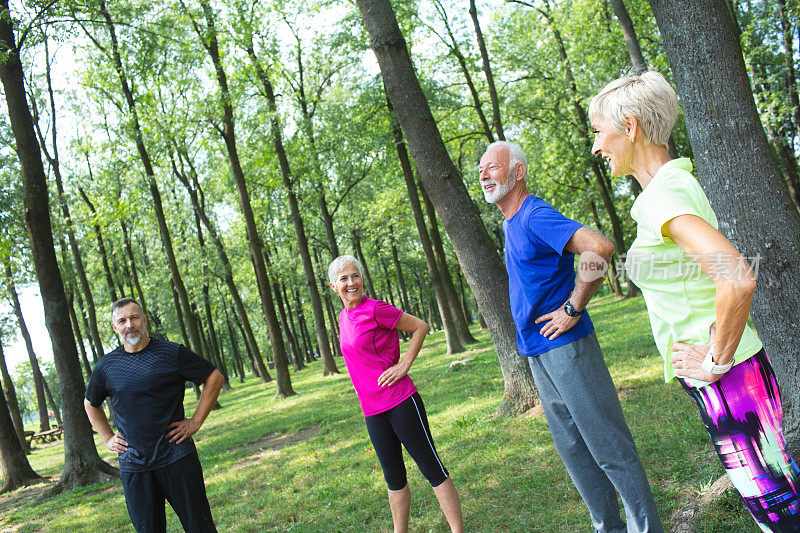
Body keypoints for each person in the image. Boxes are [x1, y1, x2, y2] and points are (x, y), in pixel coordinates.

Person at [589, 70, 800, 531]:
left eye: (599, 132)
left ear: (630, 127)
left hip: (732, 379)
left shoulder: (665, 194)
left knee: (778, 508)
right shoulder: (665, 190)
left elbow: (738, 276)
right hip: (730, 379)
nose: (596, 147)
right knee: (775, 500)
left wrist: (715, 363)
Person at [479, 141, 663, 533]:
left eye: (493, 167)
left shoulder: (533, 215)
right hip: (537, 353)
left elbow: (599, 248)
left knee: (609, 448)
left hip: (568, 349)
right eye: (481, 169)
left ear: (518, 173)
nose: (484, 174)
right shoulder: (511, 223)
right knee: (576, 454)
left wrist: (572, 308)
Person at [328, 255, 464, 533]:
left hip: (401, 402)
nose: (351, 283)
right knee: (393, 479)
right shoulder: (343, 317)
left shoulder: (376, 309)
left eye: (355, 276)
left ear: (362, 279)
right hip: (373, 412)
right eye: (344, 279)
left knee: (431, 467)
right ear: (334, 286)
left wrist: (404, 365)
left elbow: (420, 327)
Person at [84, 298, 223, 533]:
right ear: (114, 327)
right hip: (134, 464)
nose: (130, 324)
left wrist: (196, 422)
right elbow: (90, 403)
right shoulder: (106, 366)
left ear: (144, 320)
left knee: (200, 527)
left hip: (177, 456)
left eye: (134, 317)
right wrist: (107, 438)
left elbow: (214, 378)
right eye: (122, 320)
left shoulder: (172, 352)